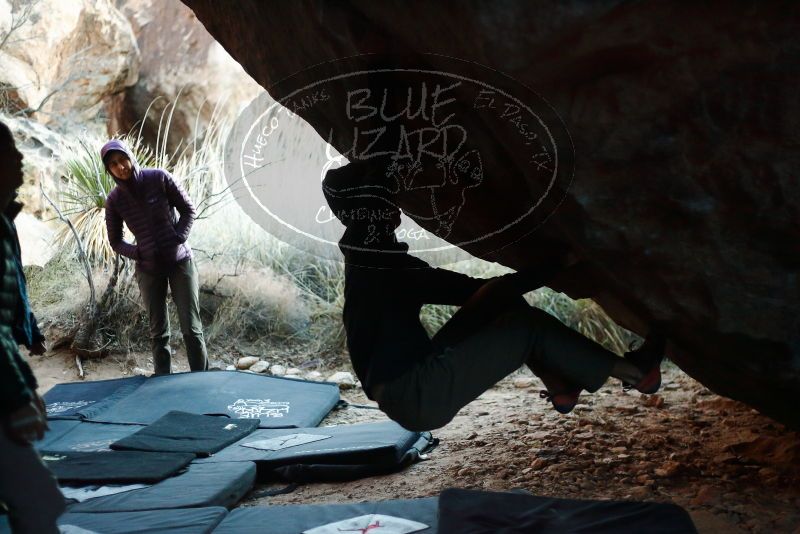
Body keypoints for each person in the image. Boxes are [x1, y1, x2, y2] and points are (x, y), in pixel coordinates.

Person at [323, 158, 665, 432]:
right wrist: (554, 266)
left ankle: (559, 385)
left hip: (413, 380)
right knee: (526, 326)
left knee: (501, 303)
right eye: (385, 200)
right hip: (418, 393)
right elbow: (482, 289)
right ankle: (637, 374)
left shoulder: (370, 260)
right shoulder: (383, 266)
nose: (395, 206)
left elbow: (484, 294)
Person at [0, 121, 65, 533]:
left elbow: (12, 297)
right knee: (39, 501)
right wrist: (19, 394)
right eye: (9, 152)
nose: (21, 158)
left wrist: (31, 332)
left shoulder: (4, 223)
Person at [102, 139, 208, 375]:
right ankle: (162, 385)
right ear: (109, 170)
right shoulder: (114, 201)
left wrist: (178, 236)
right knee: (158, 333)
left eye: (122, 159)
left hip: (180, 262)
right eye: (113, 165)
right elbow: (115, 241)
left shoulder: (159, 177)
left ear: (130, 156)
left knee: (191, 329)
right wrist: (138, 252)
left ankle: (202, 380)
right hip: (148, 269)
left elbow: (189, 209)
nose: (121, 167)